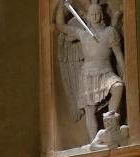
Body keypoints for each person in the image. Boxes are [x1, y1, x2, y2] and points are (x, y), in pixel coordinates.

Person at [53, 0, 126, 142]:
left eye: (97, 13)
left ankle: (110, 127)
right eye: (92, 13)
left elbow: (119, 56)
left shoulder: (109, 32)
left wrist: (124, 74)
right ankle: (94, 142)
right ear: (88, 16)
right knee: (90, 110)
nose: (94, 15)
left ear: (101, 15)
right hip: (88, 75)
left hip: (106, 71)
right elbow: (61, 26)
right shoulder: (82, 34)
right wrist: (61, 6)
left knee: (118, 87)